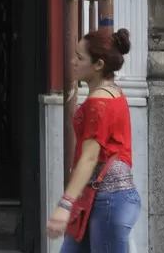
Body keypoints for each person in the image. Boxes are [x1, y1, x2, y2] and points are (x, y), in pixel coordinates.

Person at [46, 28, 141, 252]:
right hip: (102, 200)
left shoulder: (98, 102)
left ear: (99, 65)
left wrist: (64, 204)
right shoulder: (114, 93)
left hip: (107, 201)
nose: (73, 62)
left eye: (79, 58)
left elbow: (89, 158)